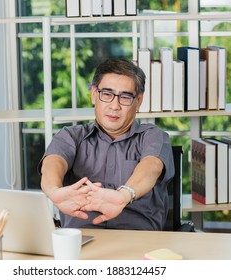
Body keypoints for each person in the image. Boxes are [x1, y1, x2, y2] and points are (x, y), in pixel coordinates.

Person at [38, 57, 174, 230]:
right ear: (94, 95)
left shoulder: (153, 136)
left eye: (125, 97)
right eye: (107, 95)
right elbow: (52, 162)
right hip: (82, 239)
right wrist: (53, 191)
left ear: (138, 101)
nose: (115, 105)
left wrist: (124, 196)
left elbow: (152, 166)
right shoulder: (71, 136)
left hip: (138, 240)